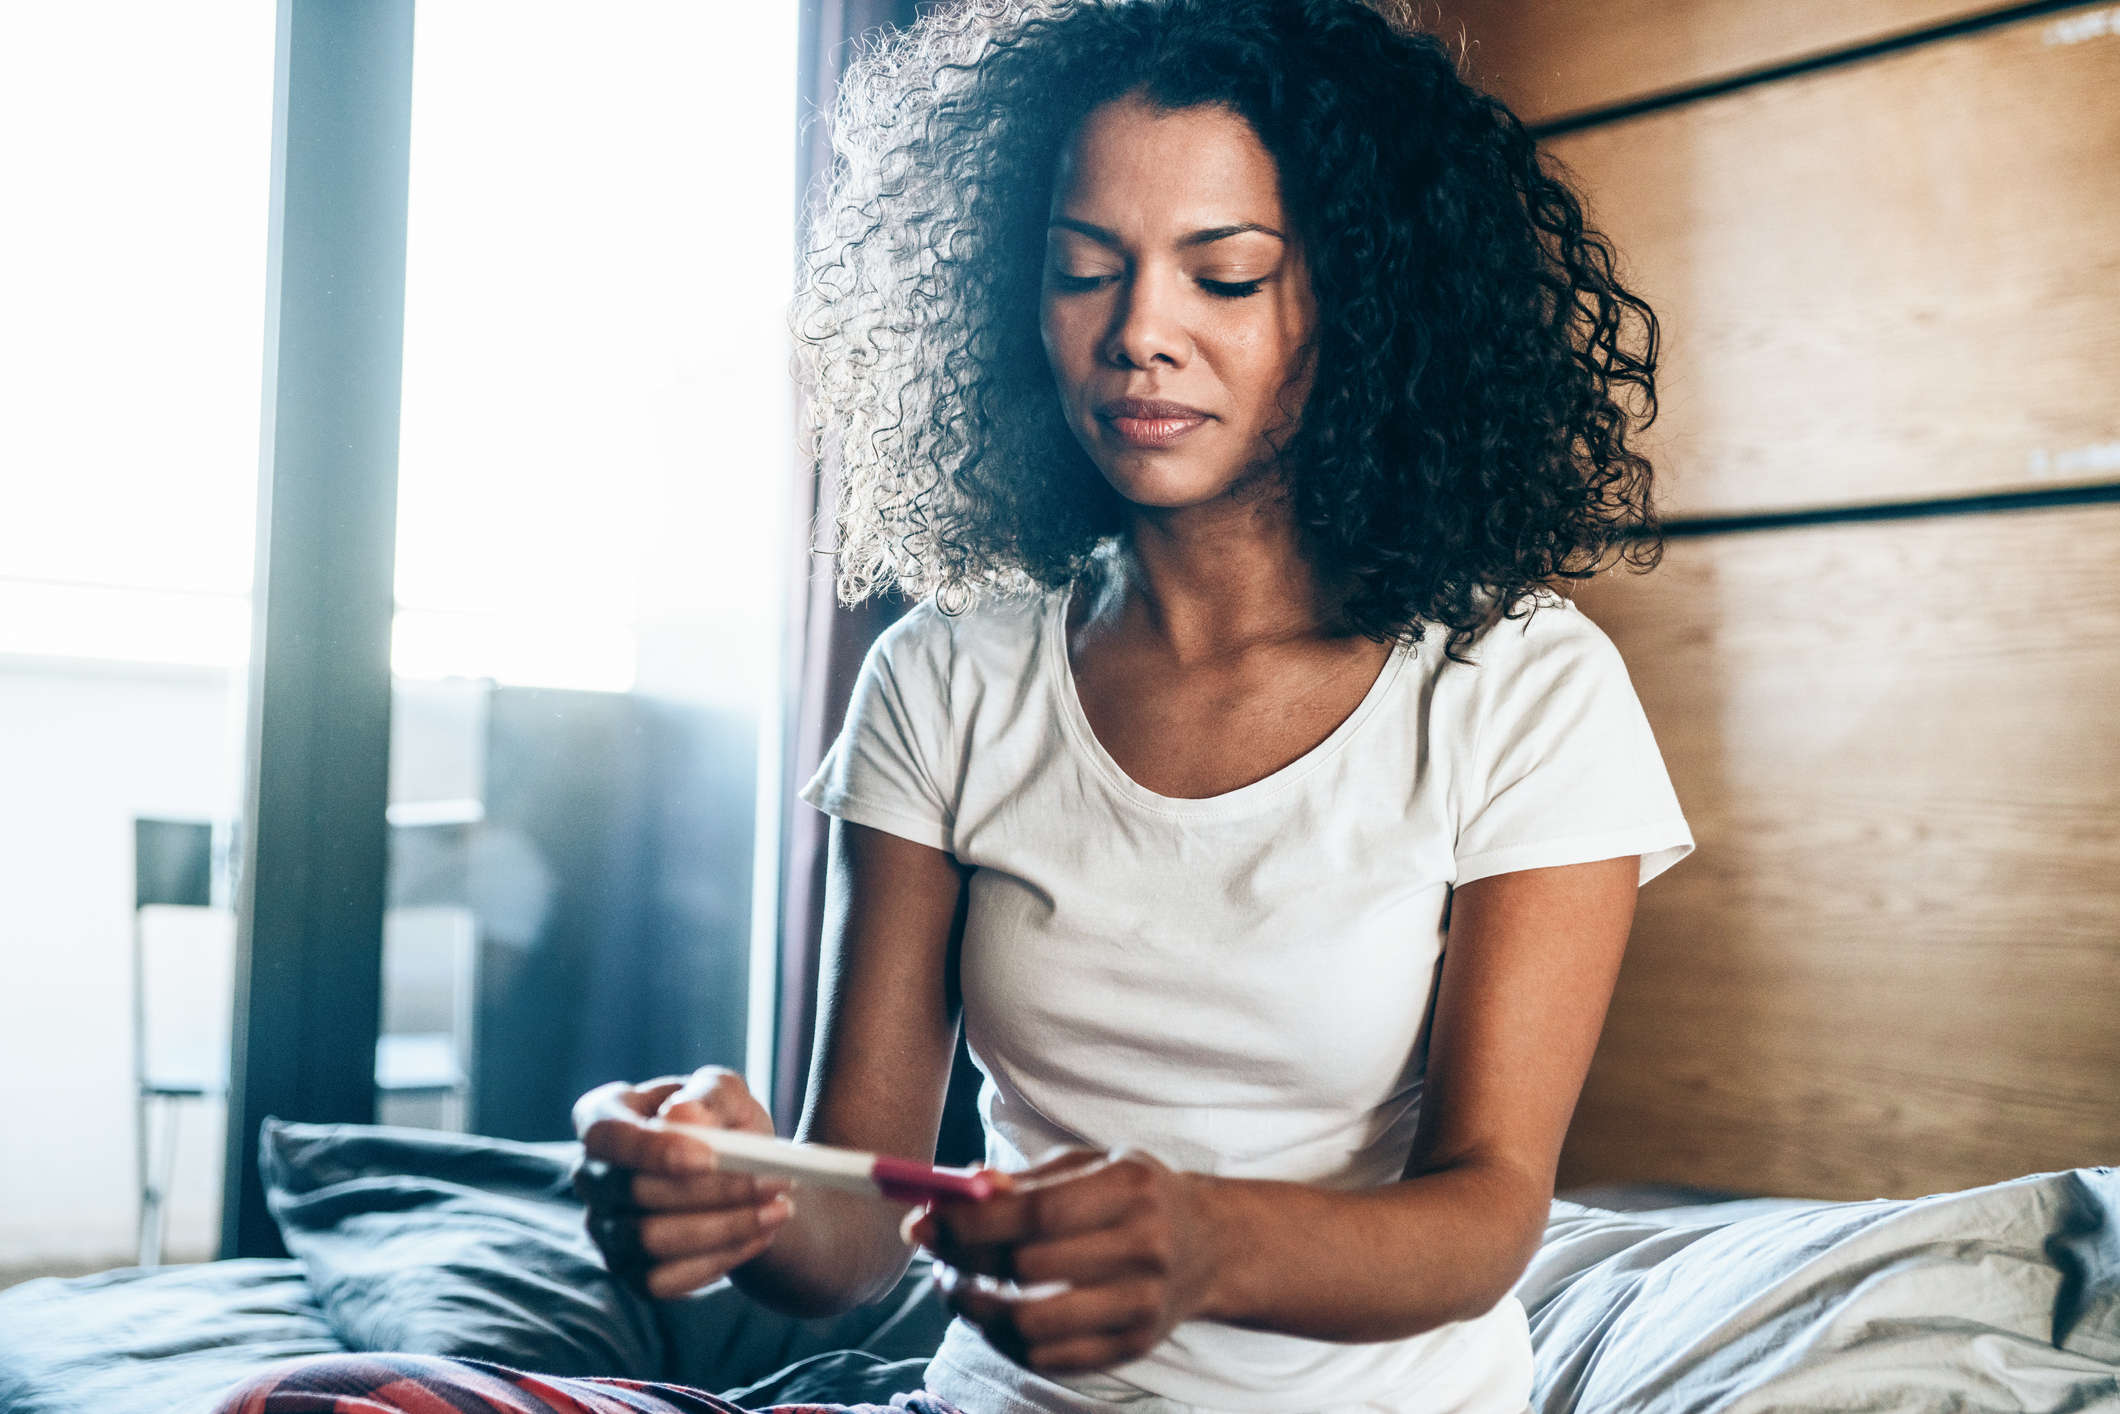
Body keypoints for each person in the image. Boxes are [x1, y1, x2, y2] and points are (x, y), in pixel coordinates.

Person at [221, 1, 1688, 1411]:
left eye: (1223, 274)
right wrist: (728, 1189)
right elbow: (852, 1238)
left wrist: (1210, 1241)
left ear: (1360, 303)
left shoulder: (1521, 688)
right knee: (315, 1400)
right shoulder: (942, 677)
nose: (1139, 333)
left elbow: (1488, 1208)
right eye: (1082, 267)